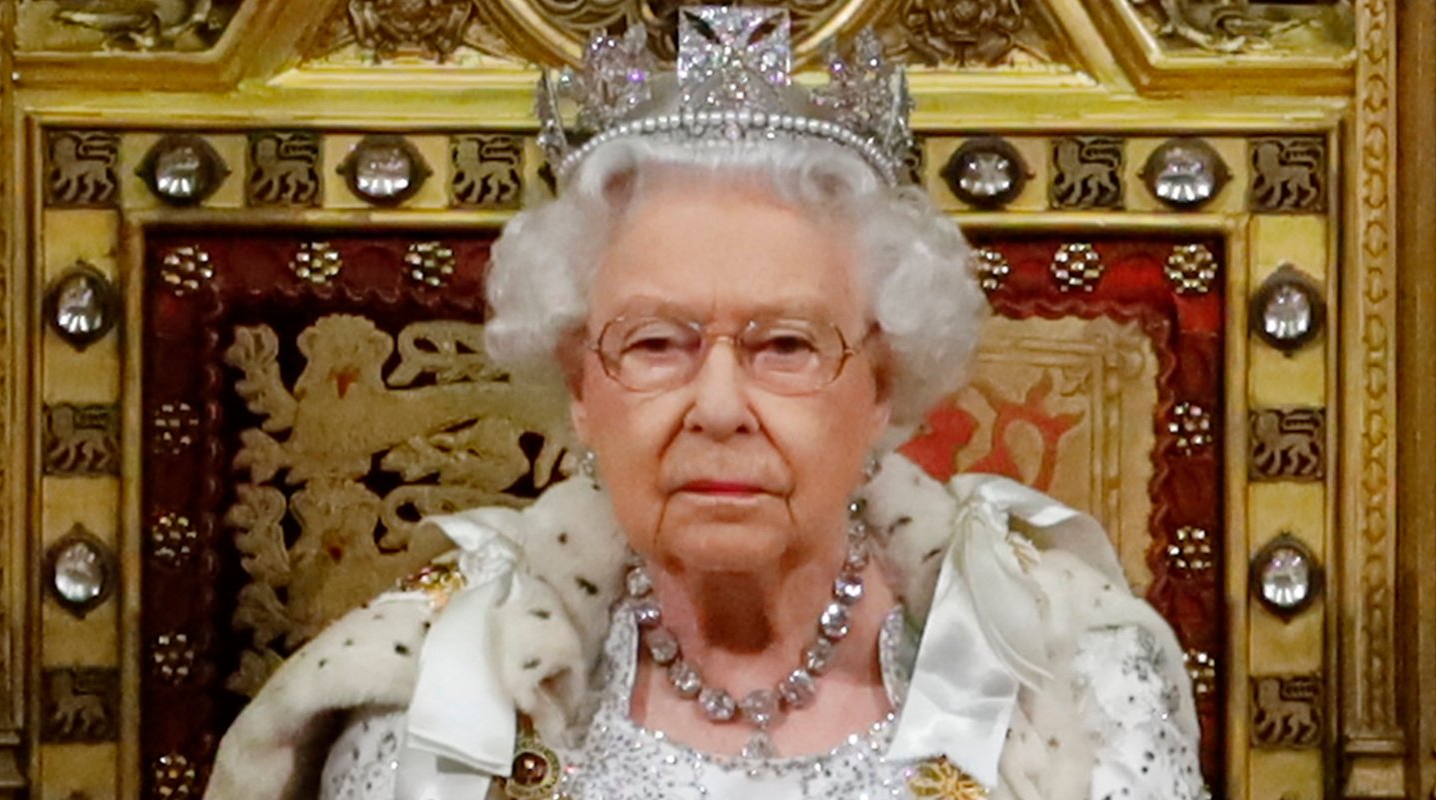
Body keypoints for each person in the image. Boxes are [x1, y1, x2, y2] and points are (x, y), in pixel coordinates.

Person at [207, 8, 1206, 800]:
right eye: (654, 343)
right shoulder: (444, 697)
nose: (717, 404)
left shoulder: (1072, 682)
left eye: (784, 345)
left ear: (882, 389)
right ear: (582, 389)